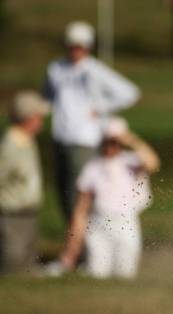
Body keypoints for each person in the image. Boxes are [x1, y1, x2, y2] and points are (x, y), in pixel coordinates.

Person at [43, 21, 140, 223]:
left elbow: (129, 92)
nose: (76, 50)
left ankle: (86, 242)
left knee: (81, 192)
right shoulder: (56, 69)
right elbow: (48, 98)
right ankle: (74, 240)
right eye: (72, 45)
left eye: (80, 46)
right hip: (61, 137)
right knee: (64, 192)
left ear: (87, 47)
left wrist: (101, 108)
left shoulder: (94, 70)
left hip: (85, 139)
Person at [56, 117, 160, 279]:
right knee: (97, 272)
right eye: (107, 141)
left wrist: (130, 139)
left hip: (125, 223)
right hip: (98, 224)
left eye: (115, 142)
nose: (110, 146)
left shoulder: (131, 161)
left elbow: (153, 163)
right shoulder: (92, 167)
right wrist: (72, 248)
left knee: (125, 273)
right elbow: (81, 210)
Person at [0, 91, 50, 274]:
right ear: (27, 117)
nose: (41, 121)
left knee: (27, 262)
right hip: (12, 215)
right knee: (12, 262)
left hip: (28, 212)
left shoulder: (27, 140)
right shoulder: (10, 146)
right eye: (38, 117)